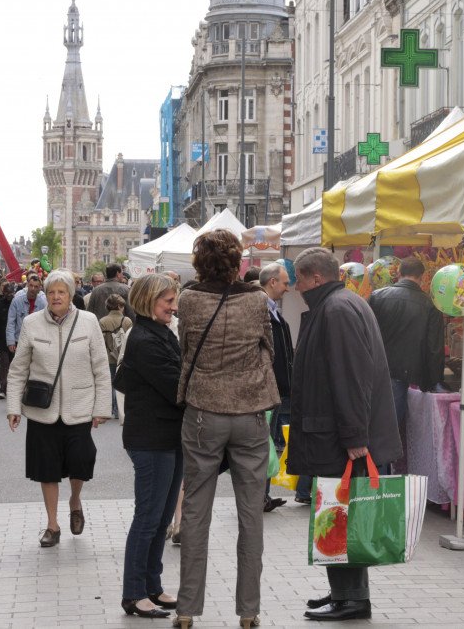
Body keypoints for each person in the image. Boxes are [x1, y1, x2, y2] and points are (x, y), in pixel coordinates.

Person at [287, 247, 402, 622]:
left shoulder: (336, 310)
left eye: (299, 279)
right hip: (335, 434)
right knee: (336, 514)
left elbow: (350, 378)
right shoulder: (341, 304)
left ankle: (351, 598)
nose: (295, 286)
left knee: (339, 516)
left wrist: (355, 436)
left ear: (315, 278)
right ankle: (343, 592)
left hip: (338, 438)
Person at [173, 230, 279, 629]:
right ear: (238, 262)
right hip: (250, 412)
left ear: (200, 263)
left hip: (203, 411)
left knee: (196, 511)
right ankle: (248, 612)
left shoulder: (189, 300)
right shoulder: (256, 300)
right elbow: (267, 347)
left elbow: (186, 348)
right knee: (251, 513)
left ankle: (186, 611)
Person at [6, 270, 112, 547]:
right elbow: (18, 370)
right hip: (43, 410)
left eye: (61, 292)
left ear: (71, 295)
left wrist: (102, 407)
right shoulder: (31, 324)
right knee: (47, 469)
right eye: (51, 292)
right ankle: (52, 525)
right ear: (45, 294)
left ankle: (75, 500)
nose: (56, 297)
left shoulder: (88, 322)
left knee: (81, 461)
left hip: (79, 407)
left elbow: (101, 368)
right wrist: (13, 406)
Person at [113, 274, 182, 620]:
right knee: (149, 518)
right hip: (152, 440)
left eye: (173, 300)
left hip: (167, 437)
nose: (173, 306)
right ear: (146, 301)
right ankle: (134, 593)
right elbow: (177, 387)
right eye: (167, 301)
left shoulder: (159, 333)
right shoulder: (145, 339)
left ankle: (152, 585)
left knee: (161, 518)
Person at [367, 256, 445, 471]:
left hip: (374, 370)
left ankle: (368, 477)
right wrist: (432, 382)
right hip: (406, 374)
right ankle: (379, 481)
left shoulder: (377, 296)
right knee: (388, 429)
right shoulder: (430, 304)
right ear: (423, 277)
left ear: (398, 272)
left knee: (371, 424)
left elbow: (365, 333)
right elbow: (434, 348)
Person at [257, 263, 292, 512]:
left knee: (267, 443)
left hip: (275, 386)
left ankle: (264, 494)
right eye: (285, 283)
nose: (287, 288)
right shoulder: (261, 309)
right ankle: (259, 495)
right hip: (267, 388)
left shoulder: (273, 310)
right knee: (264, 443)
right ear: (272, 282)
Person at [100, 294, 132, 420]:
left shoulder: (103, 321)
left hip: (108, 356)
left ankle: (111, 408)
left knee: (111, 382)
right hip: (123, 356)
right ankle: (120, 408)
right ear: (119, 306)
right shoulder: (127, 321)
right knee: (122, 382)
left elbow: (100, 341)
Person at [6, 273, 46, 355]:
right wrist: (10, 341)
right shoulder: (17, 301)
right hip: (19, 341)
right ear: (27, 285)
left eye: (36, 287)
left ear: (40, 288)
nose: (32, 288)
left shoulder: (43, 303)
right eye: (31, 285)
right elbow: (11, 322)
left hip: (36, 342)